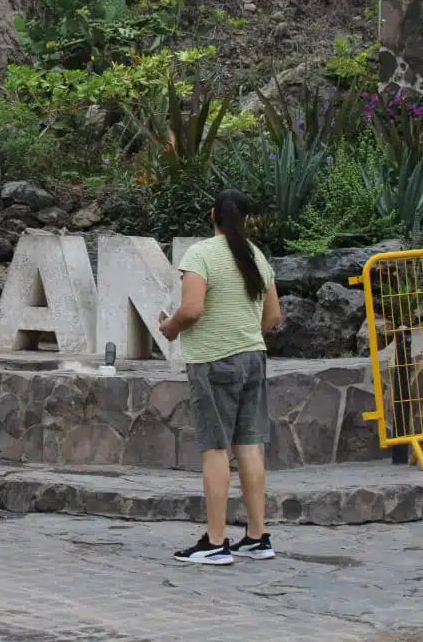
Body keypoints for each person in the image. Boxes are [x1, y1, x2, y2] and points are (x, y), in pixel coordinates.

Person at [161, 188, 282, 566]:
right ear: (245, 219)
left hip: (214, 360)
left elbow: (193, 308)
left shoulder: (201, 253)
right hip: (252, 358)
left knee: (215, 449)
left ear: (212, 213)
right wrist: (246, 334)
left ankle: (215, 542)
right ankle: (257, 537)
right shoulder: (256, 256)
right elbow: (273, 317)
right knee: (249, 445)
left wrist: (170, 327)